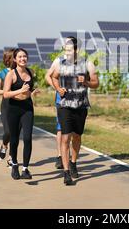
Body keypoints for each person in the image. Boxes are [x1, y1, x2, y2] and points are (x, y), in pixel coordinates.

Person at [51, 37, 99, 185]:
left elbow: (96, 83)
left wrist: (85, 82)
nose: (67, 52)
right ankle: (66, 173)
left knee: (76, 137)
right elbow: (53, 77)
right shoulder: (61, 63)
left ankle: (73, 163)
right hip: (65, 106)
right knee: (65, 138)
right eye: (66, 49)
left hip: (81, 106)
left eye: (70, 49)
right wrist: (58, 89)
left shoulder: (87, 64)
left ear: (77, 50)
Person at [3, 48, 40, 180]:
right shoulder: (11, 74)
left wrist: (32, 92)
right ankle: (14, 165)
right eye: (19, 57)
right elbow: (6, 94)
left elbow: (28, 92)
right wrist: (20, 90)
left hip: (27, 108)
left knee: (28, 138)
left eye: (24, 56)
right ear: (14, 59)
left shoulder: (31, 72)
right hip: (14, 109)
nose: (22, 59)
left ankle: (25, 169)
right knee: (14, 139)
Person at [45, 37, 73, 170]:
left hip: (77, 101)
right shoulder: (58, 60)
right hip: (61, 99)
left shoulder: (81, 62)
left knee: (73, 131)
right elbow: (48, 76)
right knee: (61, 129)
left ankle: (71, 158)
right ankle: (60, 156)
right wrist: (58, 89)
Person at [0, 48, 14, 167]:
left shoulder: (21, 72)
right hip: (6, 105)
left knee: (15, 133)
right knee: (8, 131)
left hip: (19, 106)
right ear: (8, 59)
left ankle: (12, 158)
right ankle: (4, 145)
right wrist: (9, 91)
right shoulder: (2, 73)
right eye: (14, 57)